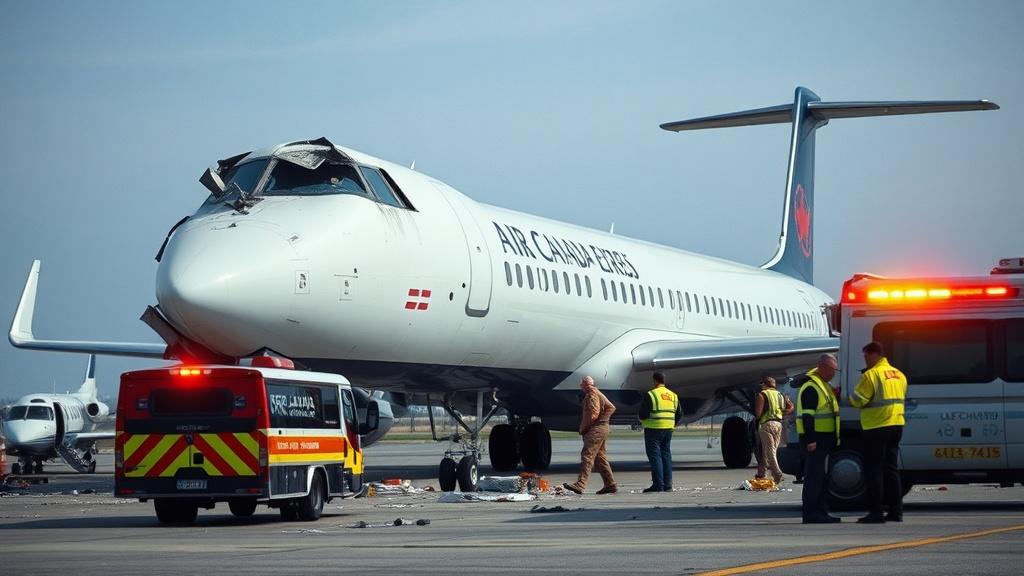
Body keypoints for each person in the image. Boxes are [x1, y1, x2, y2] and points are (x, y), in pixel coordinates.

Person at [849, 341, 908, 523]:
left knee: (874, 470)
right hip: (896, 424)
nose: (865, 360)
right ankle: (896, 511)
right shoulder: (899, 374)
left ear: (874, 355)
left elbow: (858, 401)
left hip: (876, 426)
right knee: (892, 469)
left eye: (866, 356)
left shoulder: (871, 375)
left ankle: (875, 512)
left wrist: (848, 396)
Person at [797, 353, 841, 523]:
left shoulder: (823, 385)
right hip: (816, 441)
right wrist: (811, 440)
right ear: (822, 367)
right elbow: (807, 416)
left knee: (822, 478)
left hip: (824, 441)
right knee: (814, 478)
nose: (833, 373)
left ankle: (821, 512)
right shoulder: (812, 387)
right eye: (832, 370)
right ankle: (811, 513)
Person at [563, 375, 618, 495]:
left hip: (596, 430)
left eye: (582, 384)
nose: (581, 387)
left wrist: (585, 428)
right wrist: (604, 421)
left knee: (587, 455)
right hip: (601, 428)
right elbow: (611, 407)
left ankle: (580, 484)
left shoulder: (592, 394)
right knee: (600, 457)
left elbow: (593, 414)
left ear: (585, 385)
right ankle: (610, 484)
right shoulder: (598, 393)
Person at [639, 371, 682, 492]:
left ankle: (658, 484)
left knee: (655, 456)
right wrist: (671, 423)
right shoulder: (673, 395)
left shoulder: (651, 394)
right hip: (668, 428)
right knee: (666, 455)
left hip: (653, 429)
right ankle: (668, 485)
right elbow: (679, 414)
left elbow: (643, 414)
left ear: (654, 381)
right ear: (664, 380)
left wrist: (641, 419)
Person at [754, 376, 793, 485]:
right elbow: (791, 408)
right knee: (771, 450)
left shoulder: (762, 394)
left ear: (765, 385)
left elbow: (758, 414)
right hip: (778, 424)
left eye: (762, 384)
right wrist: (781, 413)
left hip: (766, 424)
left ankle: (777, 473)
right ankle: (761, 474)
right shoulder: (781, 395)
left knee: (769, 450)